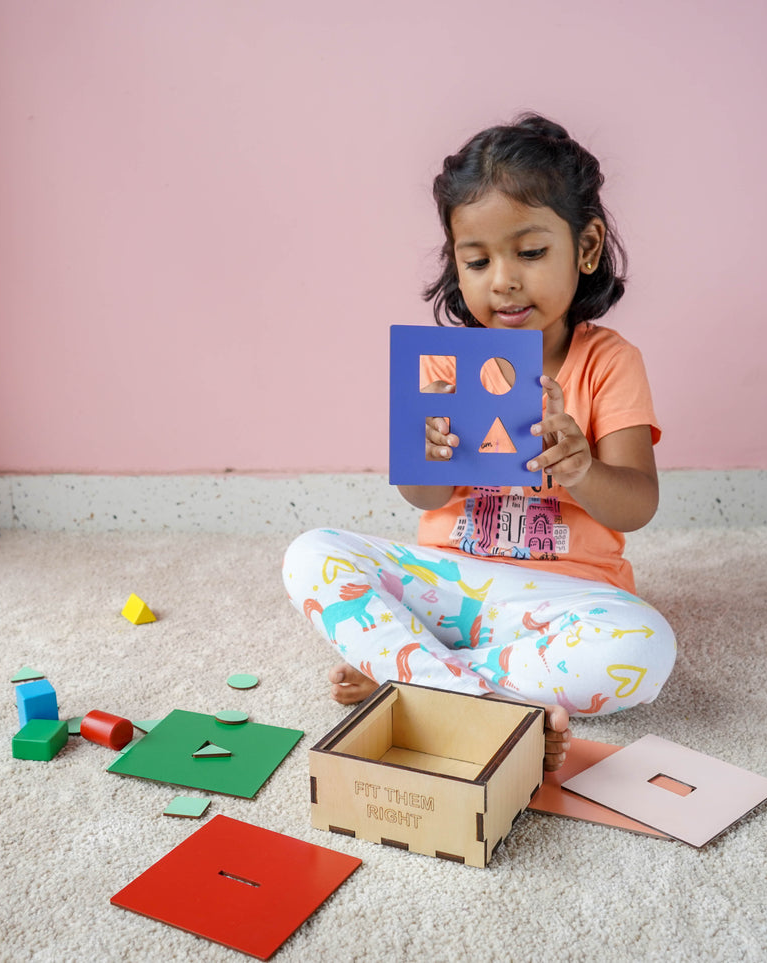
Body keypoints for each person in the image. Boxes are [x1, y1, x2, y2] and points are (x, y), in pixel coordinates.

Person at [283, 113, 676, 771]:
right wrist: (427, 450)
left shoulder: (609, 361)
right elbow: (421, 492)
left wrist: (581, 468)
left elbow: (636, 504)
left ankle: (416, 681)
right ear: (455, 264)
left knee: (644, 648)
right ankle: (469, 691)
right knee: (309, 554)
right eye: (477, 259)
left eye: (528, 252)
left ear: (584, 248)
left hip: (565, 600)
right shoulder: (444, 363)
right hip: (452, 588)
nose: (502, 280)